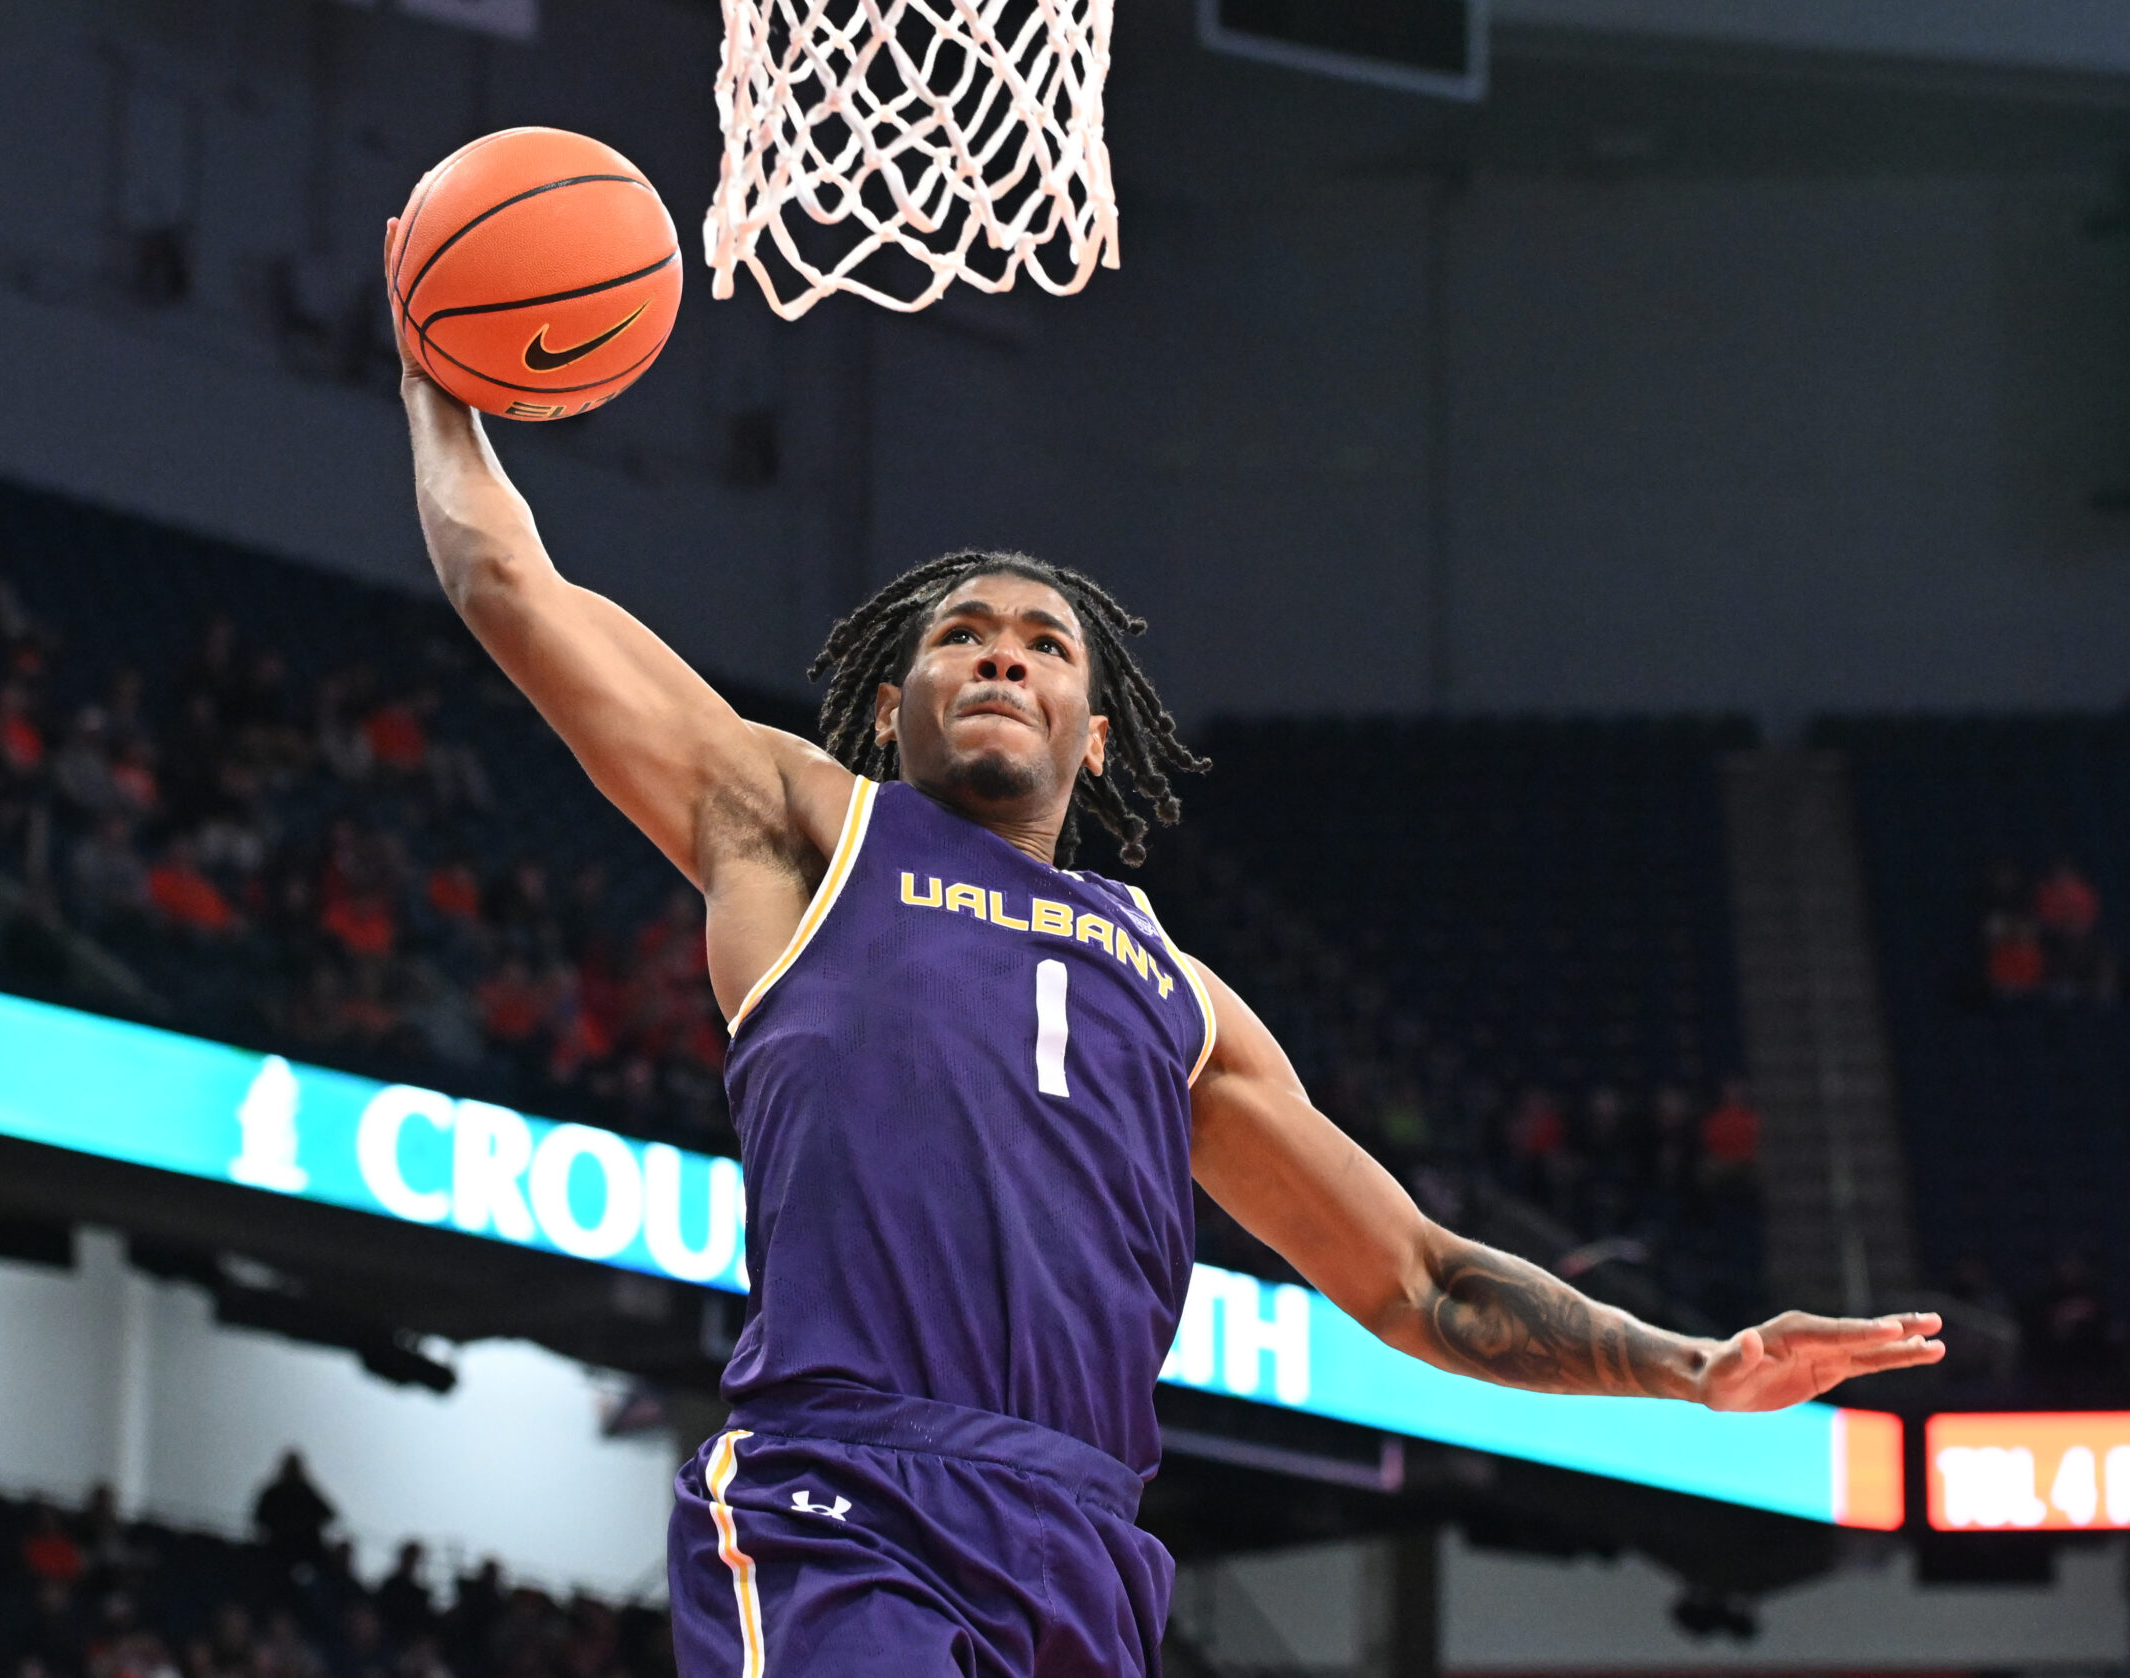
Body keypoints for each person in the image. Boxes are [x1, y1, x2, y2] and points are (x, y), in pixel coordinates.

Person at [386, 215, 1948, 1678]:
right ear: (886, 709)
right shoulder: (800, 828)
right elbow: (506, 580)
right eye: (960, 633)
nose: (1002, 644)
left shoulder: (1178, 999)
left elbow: (1416, 1278)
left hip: (1082, 1545)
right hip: (844, 1492)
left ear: (1093, 727)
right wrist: (434, 379)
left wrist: (1693, 1366)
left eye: (1043, 641)